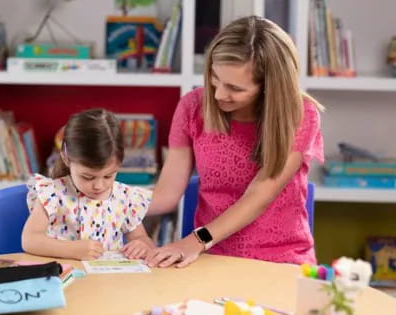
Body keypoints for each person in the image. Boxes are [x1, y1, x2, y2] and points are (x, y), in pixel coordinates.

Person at [145, 16, 324, 268]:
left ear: (269, 87)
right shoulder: (192, 106)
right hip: (210, 258)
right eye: (214, 78)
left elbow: (259, 195)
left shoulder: (301, 115)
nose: (218, 94)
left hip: (280, 260)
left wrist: (195, 241)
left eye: (235, 88)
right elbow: (166, 194)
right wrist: (106, 200)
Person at [22, 108, 155, 260]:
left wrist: (143, 245)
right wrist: (72, 250)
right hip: (66, 279)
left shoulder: (125, 198)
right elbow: (29, 239)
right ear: (66, 158)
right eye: (88, 177)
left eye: (108, 176)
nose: (99, 185)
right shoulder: (52, 194)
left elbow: (143, 240)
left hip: (110, 281)